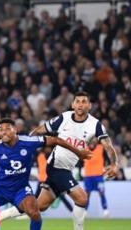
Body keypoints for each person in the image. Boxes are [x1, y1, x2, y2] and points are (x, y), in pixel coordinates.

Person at [31, 91, 119, 230]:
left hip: (67, 169)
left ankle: (1, 214)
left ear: (89, 106)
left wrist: (114, 164)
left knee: (38, 206)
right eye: (77, 101)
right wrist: (25, 143)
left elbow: (108, 145)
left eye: (84, 101)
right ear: (72, 104)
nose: (80, 104)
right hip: (56, 166)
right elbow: (42, 129)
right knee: (82, 198)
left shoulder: (95, 125)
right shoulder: (64, 118)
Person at [0, 118, 91, 230]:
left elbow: (55, 140)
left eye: (7, 128)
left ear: (15, 129)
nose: (4, 132)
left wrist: (78, 152)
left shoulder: (28, 142)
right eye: (0, 130)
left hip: (20, 189)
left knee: (35, 213)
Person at [83, 142, 109, 217]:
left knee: (102, 192)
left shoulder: (101, 148)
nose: (92, 142)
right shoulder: (84, 149)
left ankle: (105, 210)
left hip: (98, 176)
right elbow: (80, 161)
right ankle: (84, 211)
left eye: (94, 139)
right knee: (87, 194)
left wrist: (106, 168)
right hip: (88, 176)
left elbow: (107, 159)